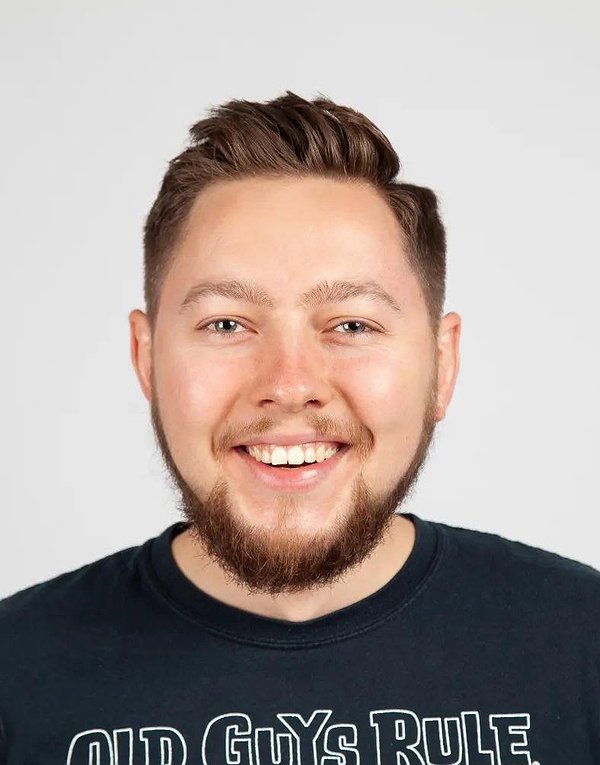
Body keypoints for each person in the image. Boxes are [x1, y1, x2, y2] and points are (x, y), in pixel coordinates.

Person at [0, 90, 598, 764]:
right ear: (146, 358)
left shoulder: (585, 646)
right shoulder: (14, 679)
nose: (288, 383)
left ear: (442, 364)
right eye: (227, 323)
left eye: (352, 325)